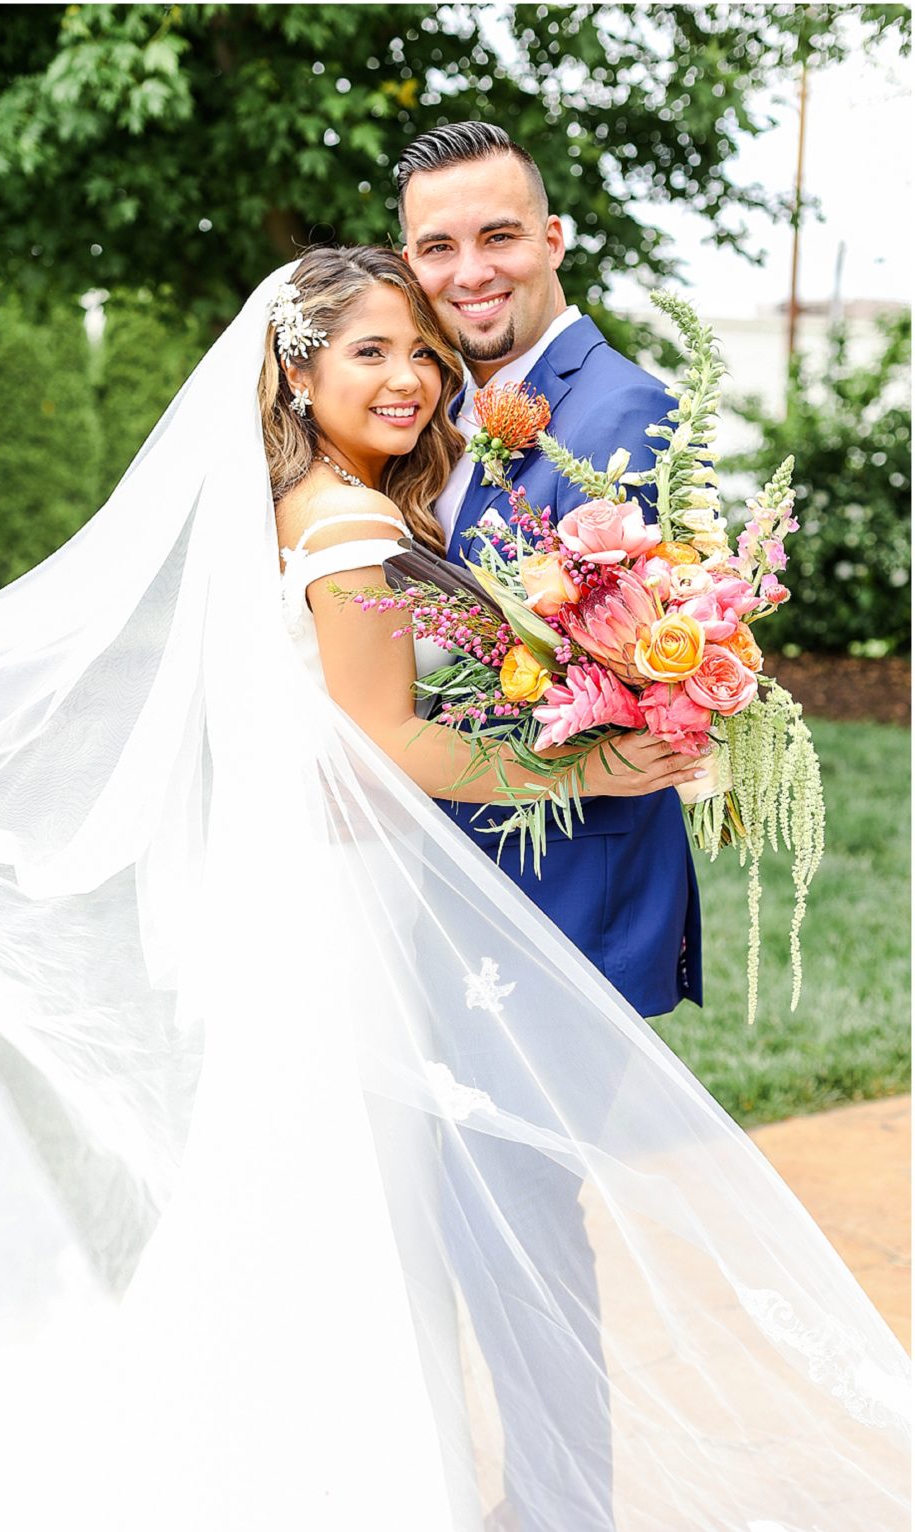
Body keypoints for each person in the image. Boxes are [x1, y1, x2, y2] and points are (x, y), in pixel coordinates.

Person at [0, 247, 909, 1532]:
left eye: (420, 351)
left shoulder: (317, 506)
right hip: (346, 936)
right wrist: (595, 762)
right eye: (369, 351)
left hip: (342, 913)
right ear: (295, 369)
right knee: (350, 1231)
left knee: (341, 1229)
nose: (410, 375)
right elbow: (389, 745)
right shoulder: (348, 527)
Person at [400, 120, 701, 1019]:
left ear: (551, 239)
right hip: (444, 857)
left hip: (560, 871)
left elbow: (616, 674)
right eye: (437, 248)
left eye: (498, 236)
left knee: (505, 1163)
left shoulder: (621, 408)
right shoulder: (429, 407)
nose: (470, 272)